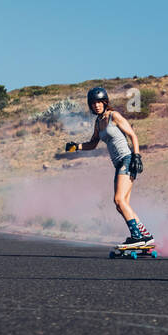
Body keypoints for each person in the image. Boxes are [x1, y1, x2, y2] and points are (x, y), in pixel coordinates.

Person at [66, 87, 154, 248]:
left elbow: (132, 135)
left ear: (105, 102)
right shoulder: (98, 123)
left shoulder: (115, 116)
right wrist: (76, 147)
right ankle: (146, 236)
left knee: (119, 200)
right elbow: (92, 144)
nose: (97, 105)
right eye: (93, 103)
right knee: (122, 205)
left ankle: (137, 237)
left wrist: (137, 156)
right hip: (118, 163)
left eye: (99, 102)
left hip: (128, 159)